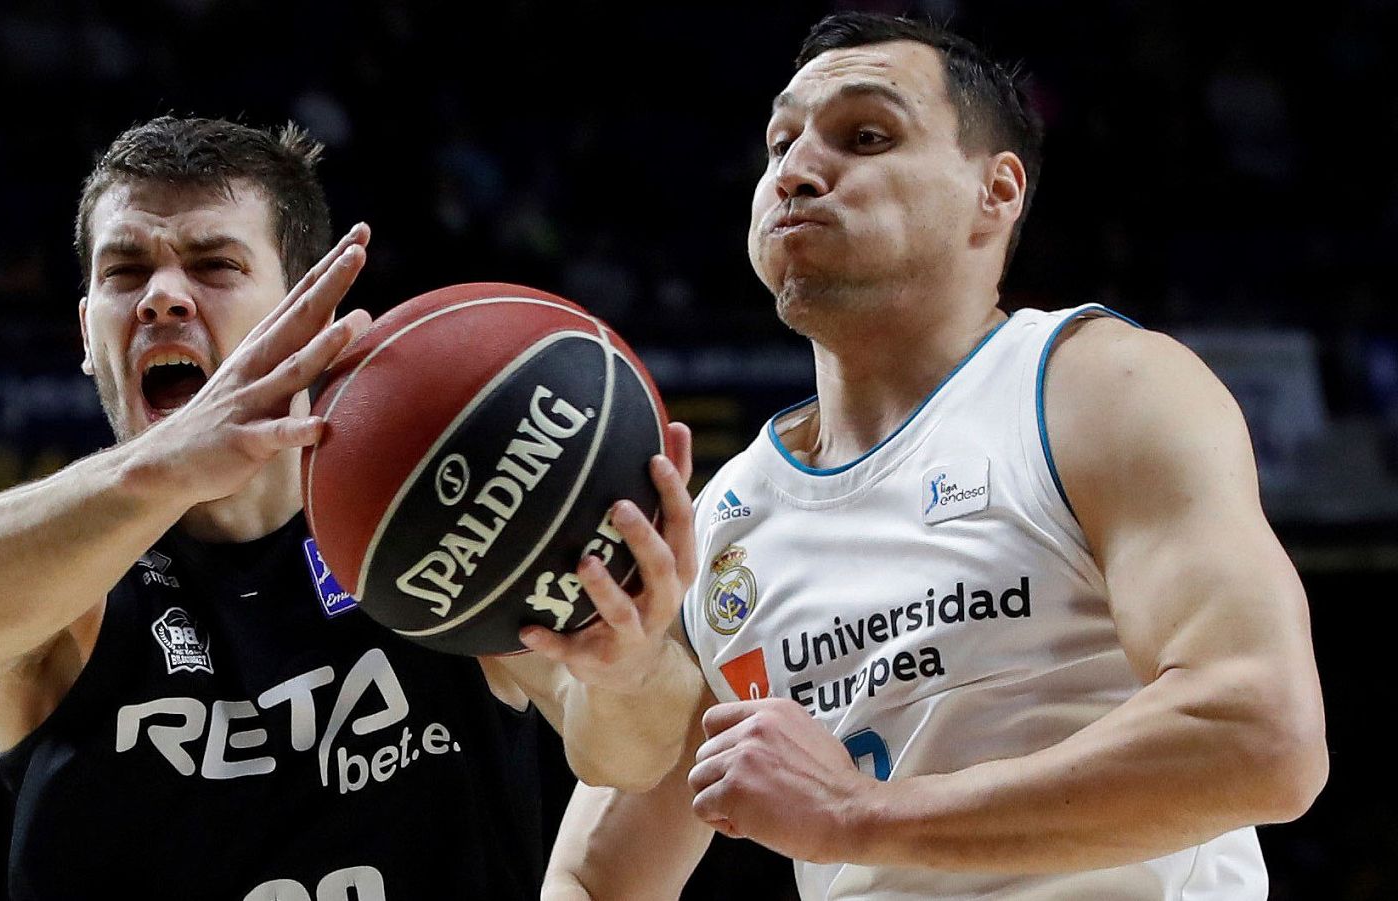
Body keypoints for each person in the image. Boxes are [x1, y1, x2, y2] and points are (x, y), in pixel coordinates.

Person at [544, 13, 1328, 900]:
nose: (795, 170)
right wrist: (627, 678)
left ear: (996, 192)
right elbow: (595, 872)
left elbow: (1261, 736)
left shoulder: (1098, 386)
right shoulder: (726, 517)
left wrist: (859, 816)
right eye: (778, 144)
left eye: (866, 135)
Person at [0, 116, 703, 901]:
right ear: (86, 333)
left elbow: (631, 754)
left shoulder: (430, 518)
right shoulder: (70, 568)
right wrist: (159, 468)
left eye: (214, 265)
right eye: (124, 272)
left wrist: (630, 673)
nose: (162, 298)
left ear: (303, 314)